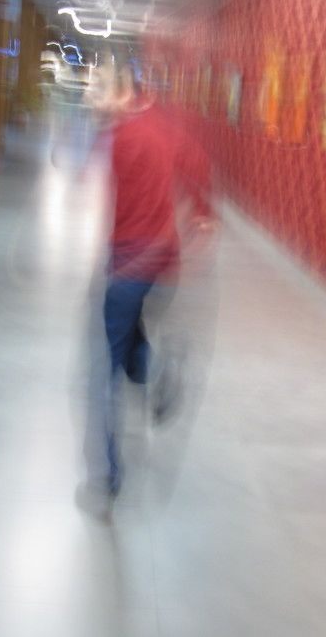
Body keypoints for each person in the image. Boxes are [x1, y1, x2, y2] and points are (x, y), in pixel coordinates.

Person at [80, 50, 214, 509]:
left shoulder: (121, 137)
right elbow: (198, 164)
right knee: (133, 339)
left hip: (129, 265)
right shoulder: (161, 123)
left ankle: (108, 477)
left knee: (104, 370)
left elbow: (113, 195)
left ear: (122, 89)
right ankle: (160, 371)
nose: (94, 97)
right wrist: (203, 214)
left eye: (100, 88)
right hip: (164, 266)